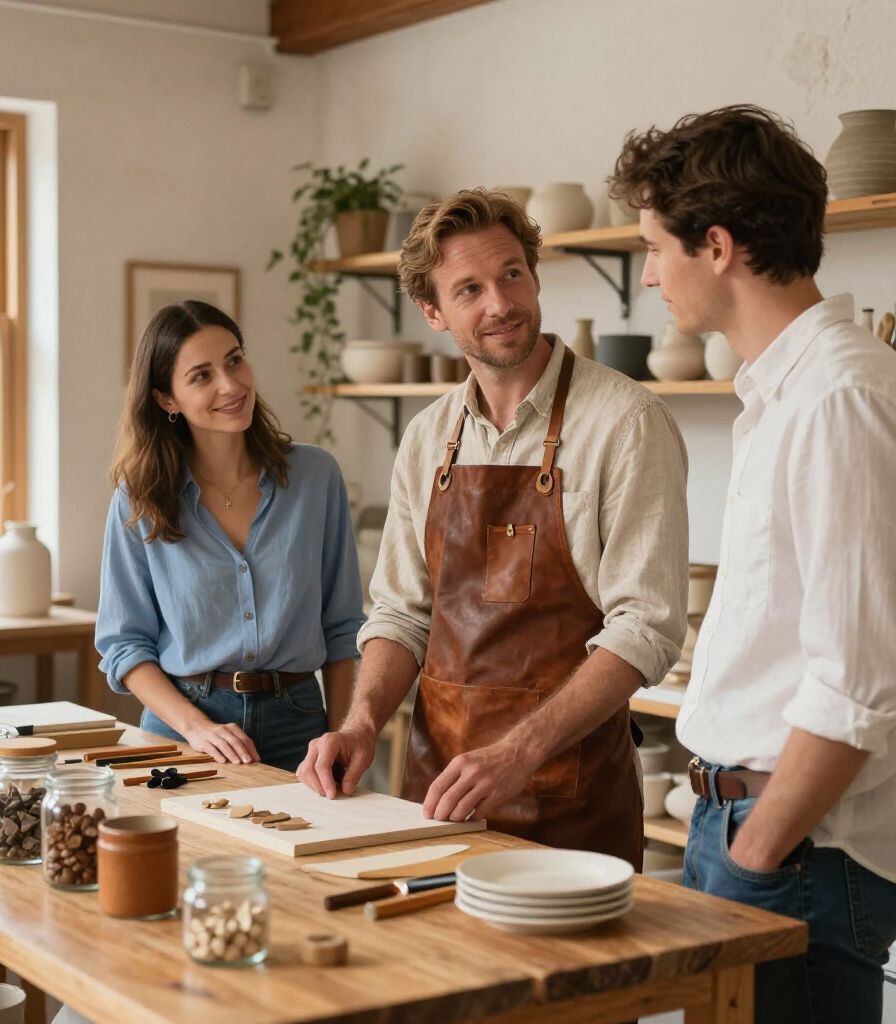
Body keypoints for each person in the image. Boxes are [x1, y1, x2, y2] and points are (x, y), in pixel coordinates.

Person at [297, 188, 689, 868]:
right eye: (469, 289)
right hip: (437, 800)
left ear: (535, 277)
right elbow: (401, 613)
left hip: (574, 807)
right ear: (433, 311)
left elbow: (645, 628)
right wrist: (361, 722)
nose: (500, 304)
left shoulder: (626, 422)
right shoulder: (427, 438)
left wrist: (521, 751)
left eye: (512, 274)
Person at [610, 104, 896, 1023]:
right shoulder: (790, 392)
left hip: (791, 852)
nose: (649, 274)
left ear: (719, 245)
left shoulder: (837, 398)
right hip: (751, 834)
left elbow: (860, 684)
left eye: (656, 247)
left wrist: (755, 854)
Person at [95, 300, 364, 773]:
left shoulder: (315, 477)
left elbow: (342, 629)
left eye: (234, 360)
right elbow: (124, 645)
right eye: (201, 375)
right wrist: (196, 728)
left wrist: (342, 736)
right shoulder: (140, 497)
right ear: (166, 399)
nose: (231, 384)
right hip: (182, 727)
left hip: (300, 725)